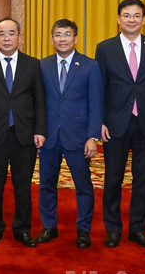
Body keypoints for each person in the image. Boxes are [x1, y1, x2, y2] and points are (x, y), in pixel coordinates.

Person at [95, 0, 145, 249]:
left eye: (136, 15)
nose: (131, 20)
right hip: (115, 124)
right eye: (126, 15)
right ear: (118, 19)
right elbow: (100, 89)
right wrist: (100, 121)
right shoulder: (105, 48)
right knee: (113, 178)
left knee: (143, 179)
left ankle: (138, 229)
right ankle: (113, 229)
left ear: (144, 20)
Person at [0, 18, 47, 247]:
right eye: (2, 34)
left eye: (11, 33)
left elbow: (40, 102)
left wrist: (40, 130)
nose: (7, 38)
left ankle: (22, 229)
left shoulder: (33, 64)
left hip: (24, 135)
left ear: (19, 36)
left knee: (23, 185)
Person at [36, 19, 103, 248]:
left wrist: (92, 137)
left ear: (75, 38)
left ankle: (83, 230)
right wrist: (38, 131)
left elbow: (96, 103)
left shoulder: (90, 66)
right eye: (57, 34)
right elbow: (38, 103)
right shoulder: (42, 65)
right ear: (52, 38)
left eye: (67, 34)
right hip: (49, 137)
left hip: (79, 137)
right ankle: (49, 227)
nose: (62, 38)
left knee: (83, 186)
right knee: (46, 184)